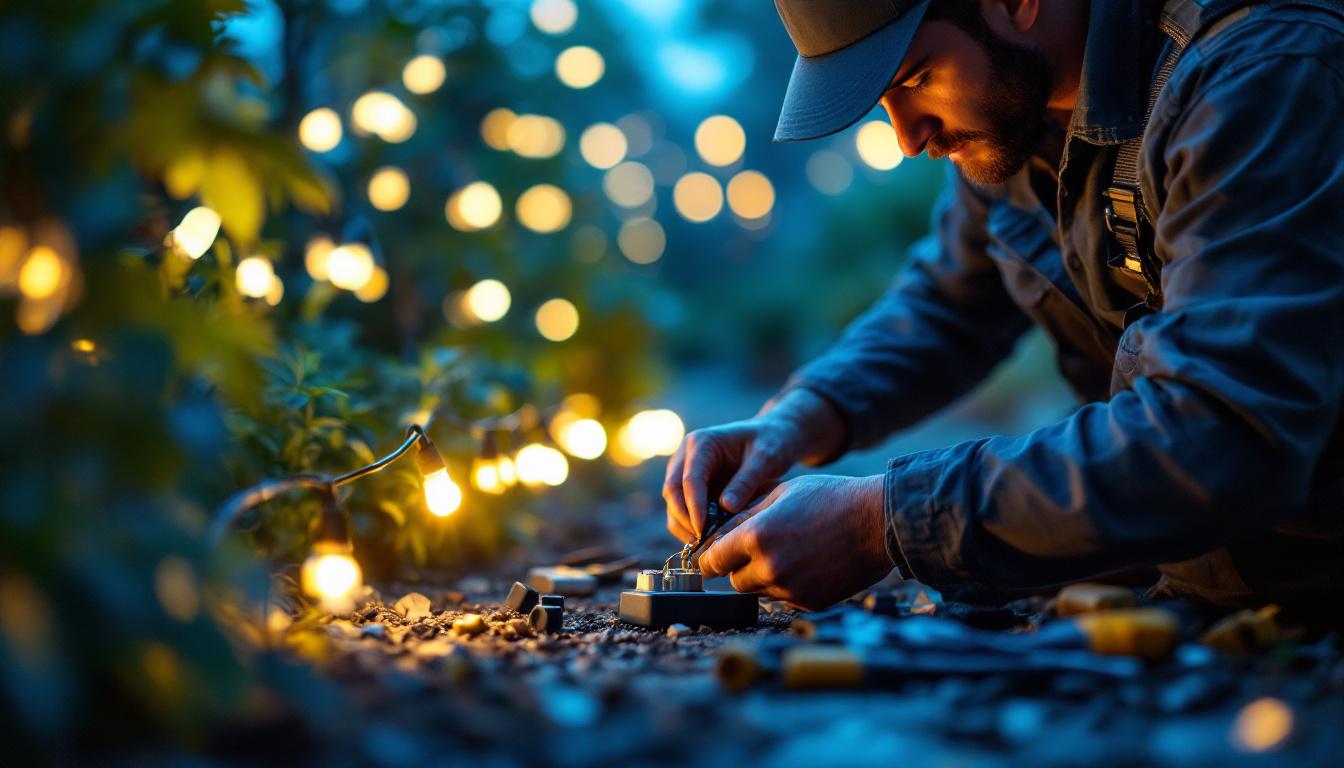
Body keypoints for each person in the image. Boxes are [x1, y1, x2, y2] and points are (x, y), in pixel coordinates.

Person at [664, 0, 1344, 616]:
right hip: (1224, 584)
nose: (907, 137)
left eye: (913, 78)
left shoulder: (1259, 71)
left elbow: (1220, 433)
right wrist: (797, 418)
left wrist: (884, 519)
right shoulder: (1018, 111)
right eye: (884, 101)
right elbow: (948, 303)